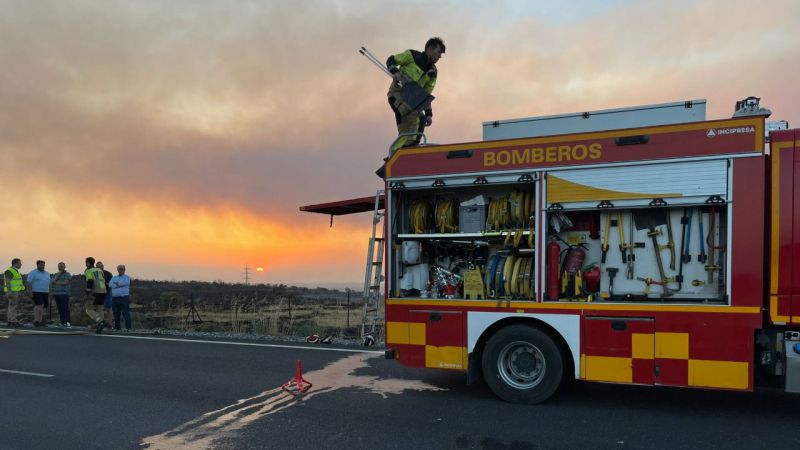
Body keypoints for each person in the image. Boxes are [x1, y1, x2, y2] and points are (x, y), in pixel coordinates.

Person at [386, 37, 445, 152]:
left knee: (416, 124)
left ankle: (403, 152)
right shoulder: (412, 55)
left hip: (412, 102)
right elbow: (391, 60)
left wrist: (429, 114)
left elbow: (426, 95)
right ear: (429, 49)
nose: (440, 57)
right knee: (415, 120)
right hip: (397, 95)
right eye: (438, 52)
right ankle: (402, 153)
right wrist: (395, 71)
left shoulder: (433, 72)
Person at [84, 257, 107, 333]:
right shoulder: (100, 270)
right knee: (99, 309)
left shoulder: (88, 271)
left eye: (86, 262)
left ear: (88, 263)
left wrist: (87, 292)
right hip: (103, 291)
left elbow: (90, 281)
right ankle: (99, 327)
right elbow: (103, 281)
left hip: (95, 292)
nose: (85, 263)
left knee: (88, 309)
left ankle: (100, 321)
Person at [26, 260, 51, 327]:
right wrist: (29, 291)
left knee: (42, 306)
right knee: (39, 305)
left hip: (45, 292)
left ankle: (40, 321)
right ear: (37, 265)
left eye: (43, 265)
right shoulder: (33, 273)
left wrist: (50, 292)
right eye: (40, 265)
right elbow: (28, 282)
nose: (42, 266)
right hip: (36, 291)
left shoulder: (47, 273)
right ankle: (36, 320)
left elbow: (49, 283)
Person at [4, 258, 26, 327]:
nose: (21, 265)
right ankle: (12, 320)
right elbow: (7, 282)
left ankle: (11, 320)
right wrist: (9, 292)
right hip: (12, 291)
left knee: (13, 306)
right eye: (19, 263)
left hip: (15, 291)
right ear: (15, 264)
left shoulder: (15, 271)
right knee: (12, 306)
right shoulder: (10, 271)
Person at [109, 264, 131, 331]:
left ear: (124, 270)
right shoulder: (114, 277)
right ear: (117, 270)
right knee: (116, 313)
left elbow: (126, 283)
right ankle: (117, 328)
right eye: (119, 269)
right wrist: (119, 285)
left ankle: (128, 328)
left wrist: (118, 284)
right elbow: (110, 285)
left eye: (122, 269)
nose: (120, 270)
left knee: (125, 312)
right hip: (115, 298)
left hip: (124, 297)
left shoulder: (127, 277)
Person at [50, 262, 72, 328]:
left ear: (65, 267)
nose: (60, 267)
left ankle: (67, 322)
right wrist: (59, 274)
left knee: (65, 308)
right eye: (59, 266)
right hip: (56, 294)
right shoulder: (56, 274)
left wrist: (56, 282)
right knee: (60, 309)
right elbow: (52, 282)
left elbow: (65, 283)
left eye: (62, 266)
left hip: (64, 294)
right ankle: (62, 322)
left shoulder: (67, 274)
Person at [96, 261, 114, 329]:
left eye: (101, 266)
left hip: (106, 293)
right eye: (98, 267)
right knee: (99, 309)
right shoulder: (94, 274)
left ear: (103, 266)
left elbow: (110, 284)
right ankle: (99, 323)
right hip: (97, 293)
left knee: (108, 308)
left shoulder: (108, 274)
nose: (99, 268)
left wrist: (104, 282)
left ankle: (110, 324)